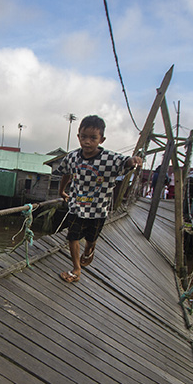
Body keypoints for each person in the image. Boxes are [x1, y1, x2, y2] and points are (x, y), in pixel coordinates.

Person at [55, 115, 142, 283]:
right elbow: (66, 172)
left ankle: (89, 250)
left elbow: (124, 162)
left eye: (93, 138)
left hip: (98, 209)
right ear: (78, 136)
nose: (87, 142)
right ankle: (76, 269)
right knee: (72, 237)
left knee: (91, 239)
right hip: (76, 206)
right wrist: (62, 191)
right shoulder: (72, 157)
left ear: (101, 140)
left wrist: (133, 160)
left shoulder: (109, 158)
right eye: (83, 137)